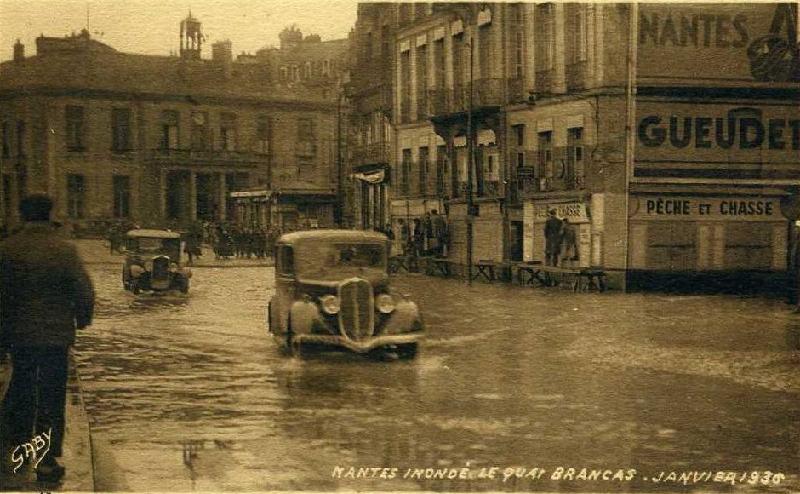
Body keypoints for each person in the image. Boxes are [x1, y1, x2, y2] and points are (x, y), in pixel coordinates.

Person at [0, 195, 95, 482]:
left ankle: (14, 448)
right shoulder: (64, 250)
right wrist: (82, 318)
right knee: (52, 395)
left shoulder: (7, 250)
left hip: (18, 334)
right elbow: (84, 291)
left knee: (21, 385)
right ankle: (46, 458)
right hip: (55, 336)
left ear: (22, 215)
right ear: (49, 214)